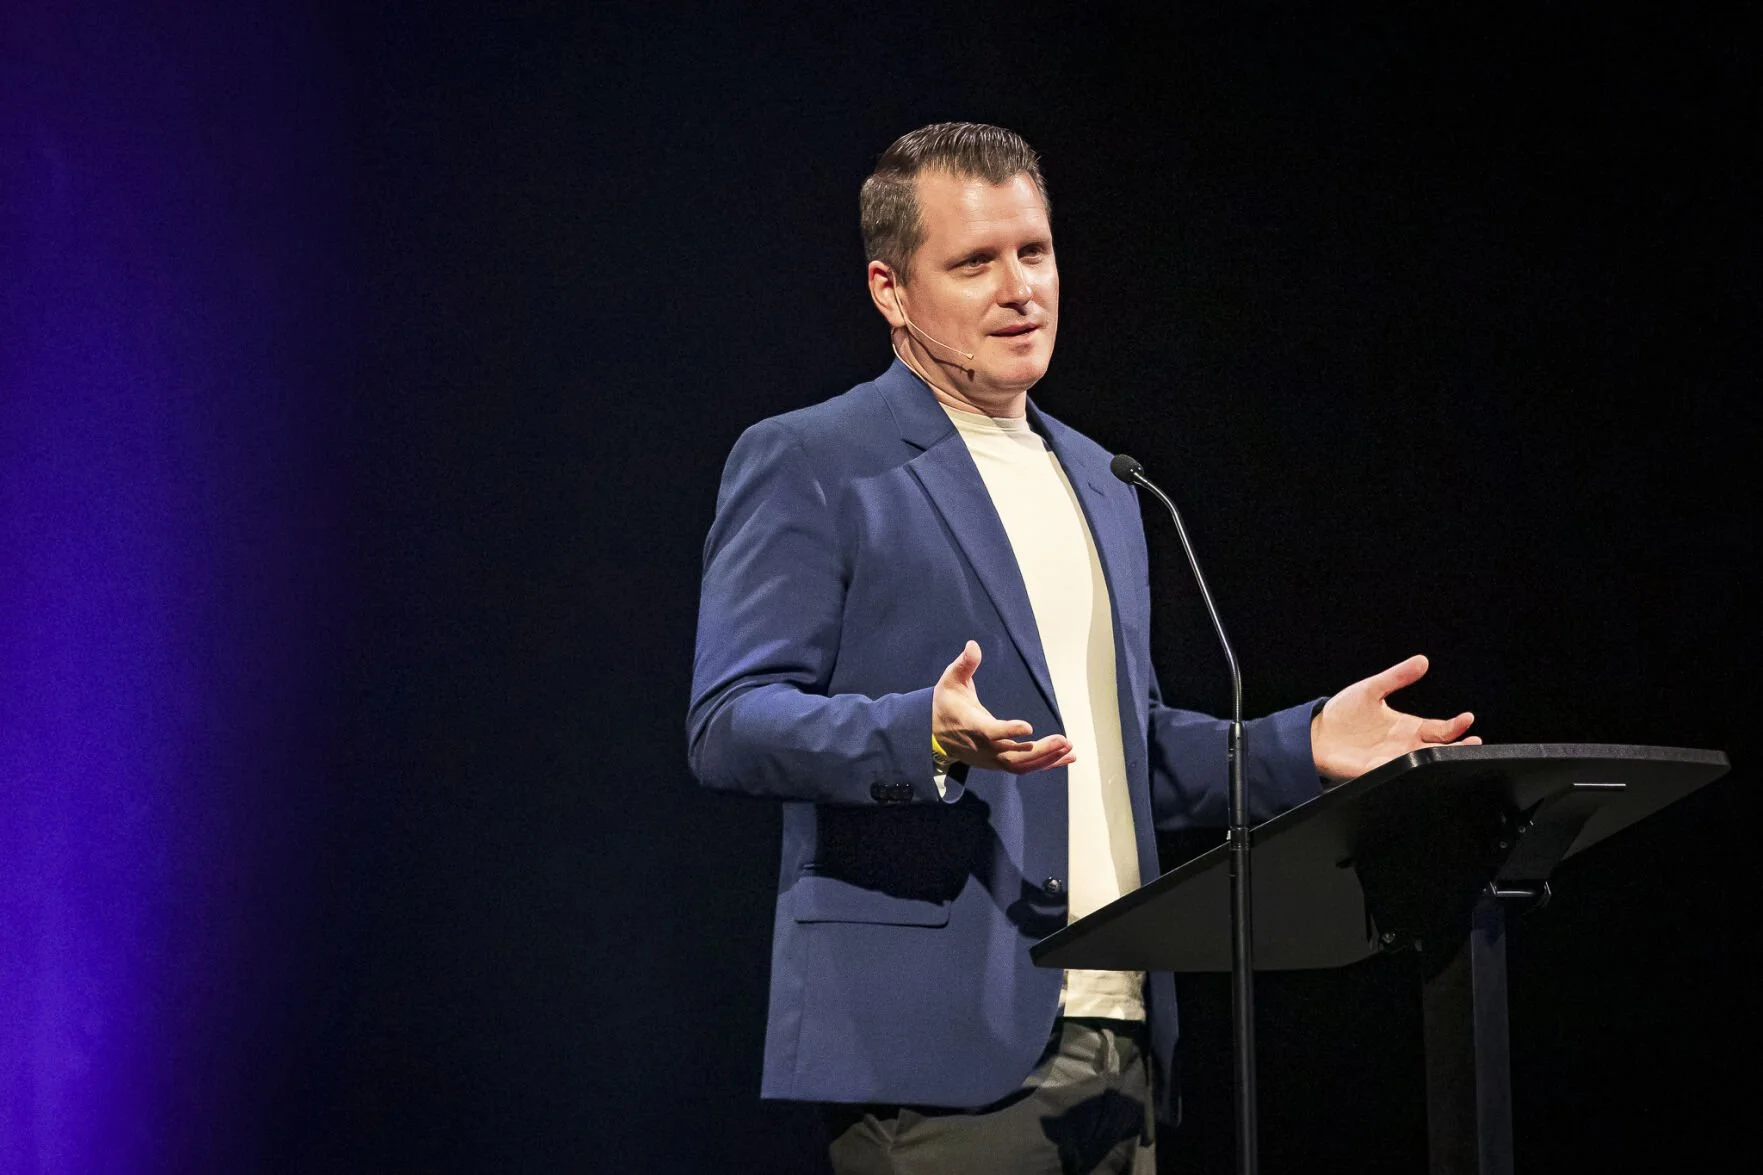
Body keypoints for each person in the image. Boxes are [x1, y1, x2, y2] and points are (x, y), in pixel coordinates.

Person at [687, 122, 1478, 1174]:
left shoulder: (1103, 480)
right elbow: (729, 721)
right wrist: (913, 730)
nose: (1020, 288)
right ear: (889, 290)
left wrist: (1303, 745)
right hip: (935, 1055)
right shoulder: (812, 458)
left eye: (1034, 251)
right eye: (974, 262)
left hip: (1124, 1042)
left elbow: (1119, 749)